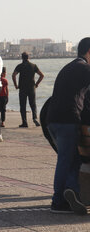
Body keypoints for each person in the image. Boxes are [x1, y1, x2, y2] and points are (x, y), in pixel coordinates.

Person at [46, 37, 90, 215]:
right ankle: (58, 201)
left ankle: (71, 192)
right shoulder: (85, 69)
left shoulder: (69, 67)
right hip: (67, 120)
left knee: (72, 158)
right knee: (66, 159)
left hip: (52, 119)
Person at [13, 52, 45, 127]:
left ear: (22, 58)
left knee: (23, 105)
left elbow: (13, 75)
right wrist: (36, 84)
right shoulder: (33, 66)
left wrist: (16, 85)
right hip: (31, 88)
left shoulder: (20, 66)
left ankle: (25, 122)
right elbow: (42, 75)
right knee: (33, 104)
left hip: (22, 88)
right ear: (28, 57)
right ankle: (35, 118)